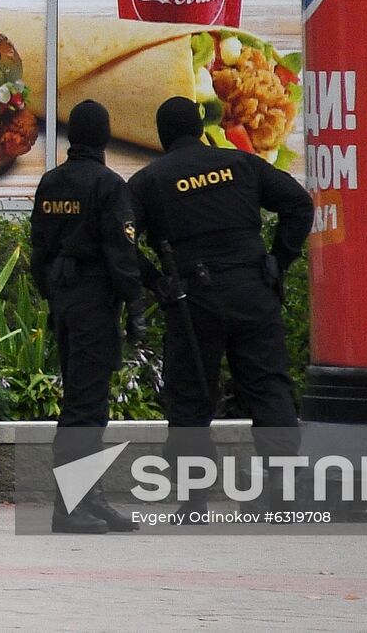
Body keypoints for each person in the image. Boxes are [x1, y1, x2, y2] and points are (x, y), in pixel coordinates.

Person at [127, 97, 313, 514]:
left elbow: (119, 238)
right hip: (252, 288)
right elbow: (299, 203)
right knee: (268, 387)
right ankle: (284, 494)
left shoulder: (150, 180)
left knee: (191, 397)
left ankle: (193, 502)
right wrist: (278, 261)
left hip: (193, 298)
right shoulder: (242, 164)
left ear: (161, 135)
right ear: (200, 127)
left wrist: (155, 281)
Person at [30, 101, 146, 534]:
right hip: (95, 304)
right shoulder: (108, 185)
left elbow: (38, 251)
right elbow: (123, 255)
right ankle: (71, 506)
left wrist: (55, 295)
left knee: (84, 401)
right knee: (86, 405)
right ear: (104, 136)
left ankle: (89, 498)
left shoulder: (51, 182)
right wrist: (135, 309)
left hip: (65, 302)